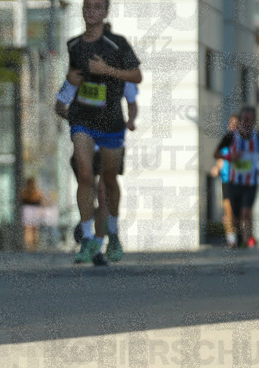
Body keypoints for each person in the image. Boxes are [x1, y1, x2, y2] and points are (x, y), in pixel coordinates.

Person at [64, 0, 142, 265]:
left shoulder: (117, 44)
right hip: (82, 119)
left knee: (108, 182)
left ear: (106, 12)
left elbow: (136, 76)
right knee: (85, 175)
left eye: (97, 7)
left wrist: (107, 70)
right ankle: (87, 239)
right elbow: (72, 81)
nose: (91, 11)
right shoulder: (74, 45)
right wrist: (71, 82)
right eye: (87, 6)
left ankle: (113, 234)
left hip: (111, 122)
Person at [57, 74, 137, 262]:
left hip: (109, 145)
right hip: (86, 149)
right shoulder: (78, 75)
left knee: (103, 193)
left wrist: (130, 120)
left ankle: (98, 247)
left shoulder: (120, 76)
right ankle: (87, 229)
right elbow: (59, 106)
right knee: (89, 191)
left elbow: (132, 102)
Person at [213, 106, 259, 249]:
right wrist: (229, 156)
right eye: (245, 119)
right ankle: (235, 238)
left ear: (254, 121)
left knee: (247, 210)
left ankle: (246, 239)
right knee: (236, 214)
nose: (247, 122)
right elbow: (216, 153)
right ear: (240, 121)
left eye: (250, 120)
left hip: (251, 182)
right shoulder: (231, 136)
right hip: (234, 181)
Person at [210, 115, 239, 248]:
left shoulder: (243, 142)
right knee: (228, 211)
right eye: (231, 124)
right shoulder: (225, 141)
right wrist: (216, 168)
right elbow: (220, 159)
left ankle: (240, 237)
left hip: (240, 180)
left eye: (236, 124)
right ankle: (231, 240)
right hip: (227, 179)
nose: (233, 126)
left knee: (238, 212)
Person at [19, 177, 45, 252]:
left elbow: (40, 200)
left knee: (32, 228)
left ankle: (31, 245)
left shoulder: (32, 191)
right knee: (29, 228)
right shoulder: (28, 191)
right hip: (29, 209)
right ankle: (30, 245)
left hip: (31, 209)